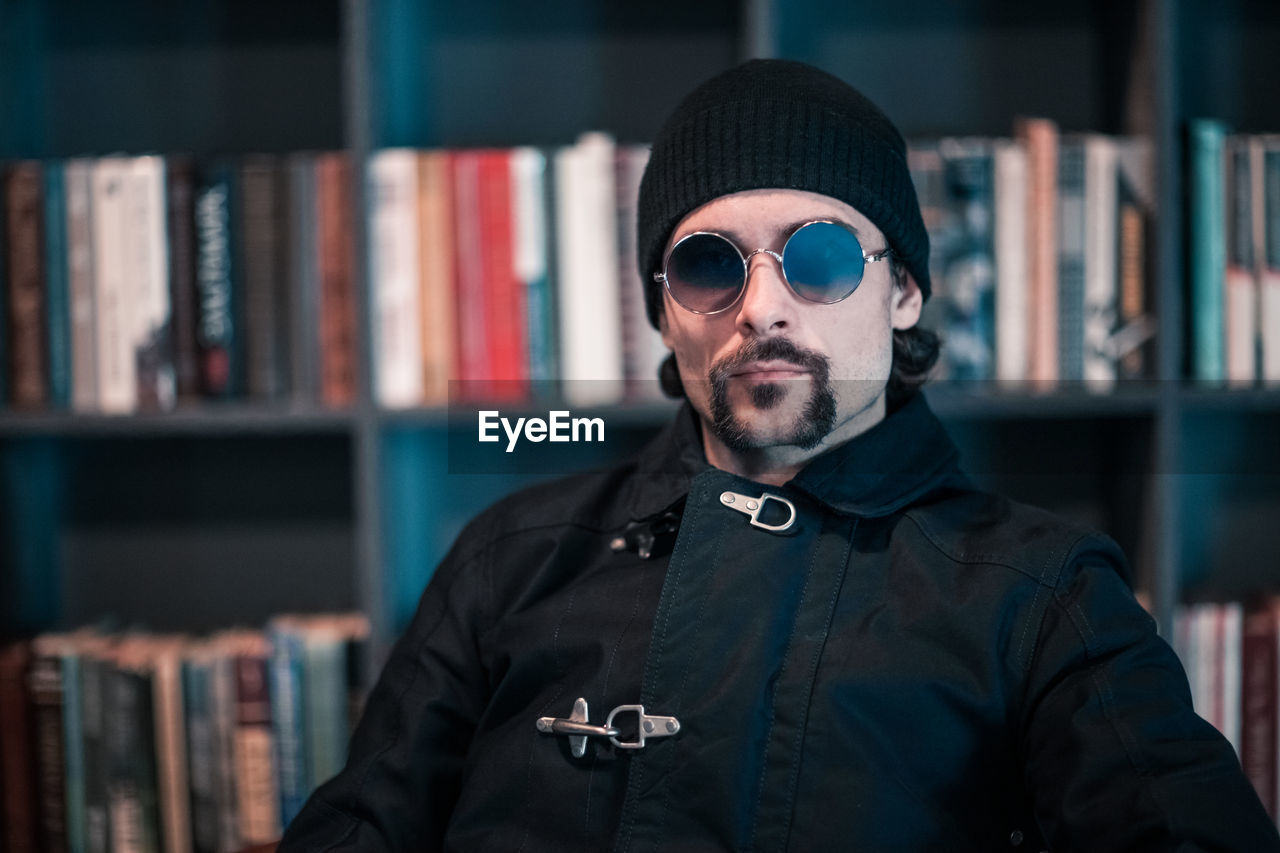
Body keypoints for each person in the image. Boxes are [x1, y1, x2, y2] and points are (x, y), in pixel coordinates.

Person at [279, 59, 1279, 852]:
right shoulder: (508, 555)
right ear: (661, 311)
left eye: (819, 256)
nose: (761, 307)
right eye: (710, 265)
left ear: (901, 293)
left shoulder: (1040, 592)